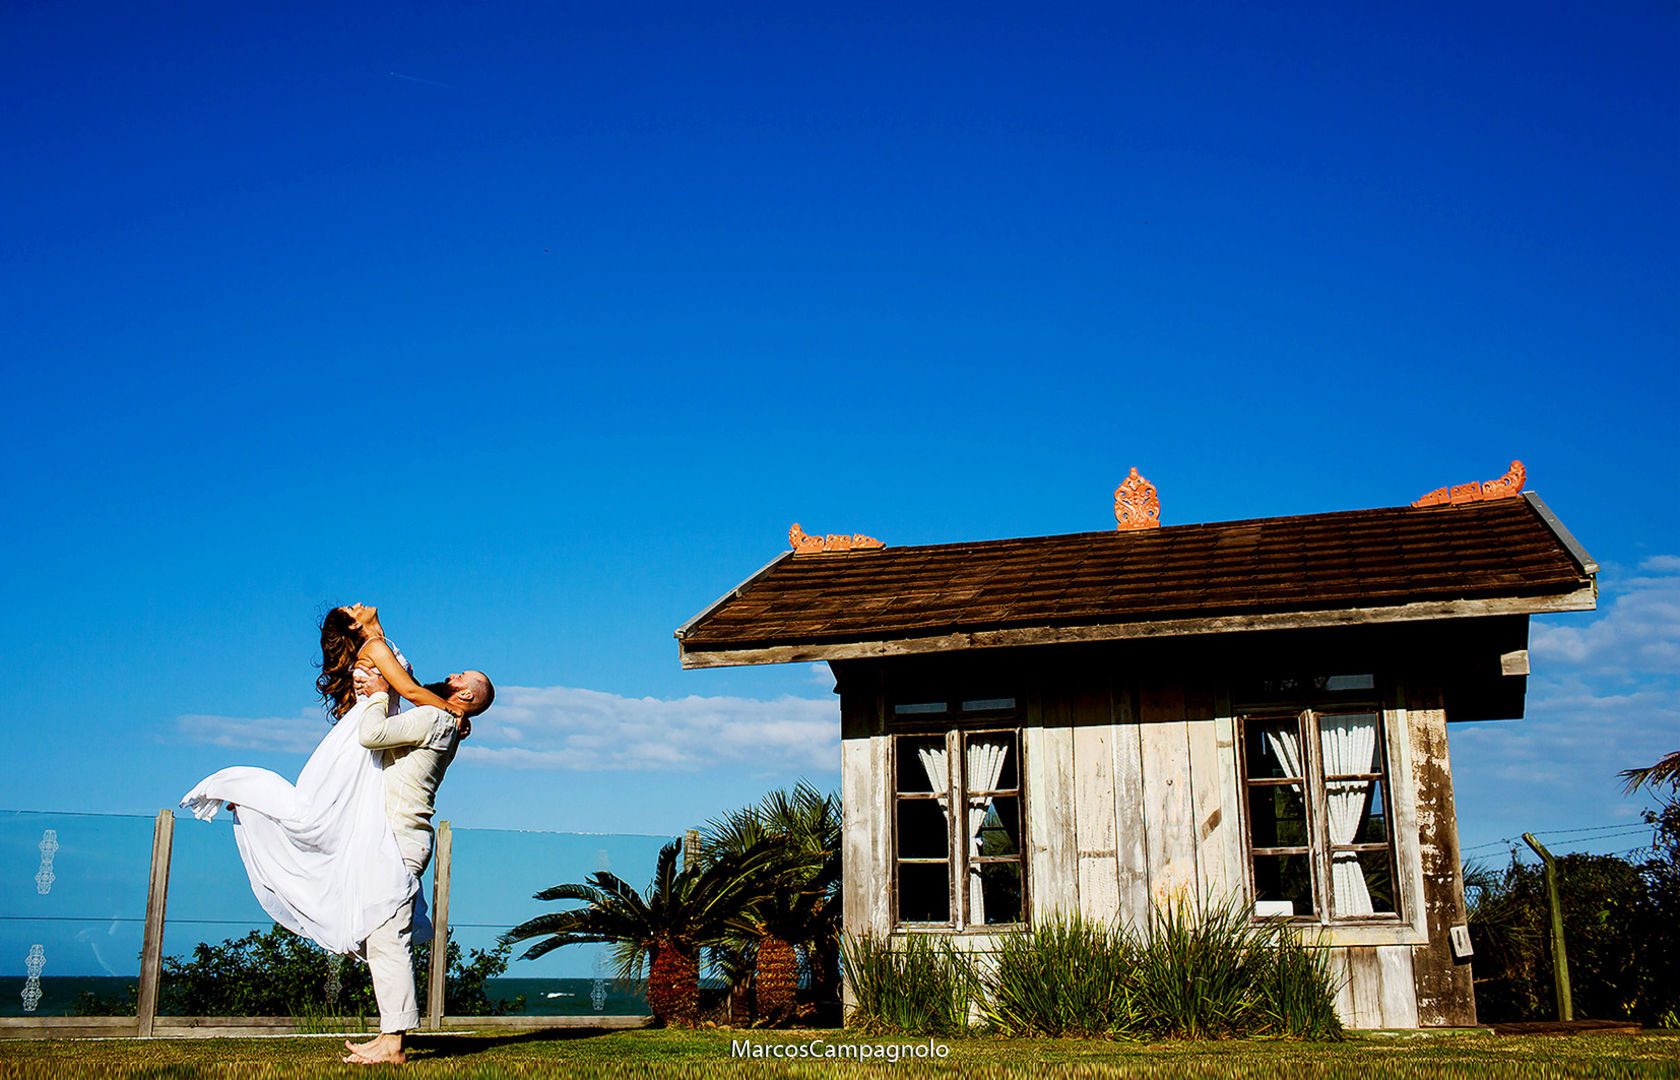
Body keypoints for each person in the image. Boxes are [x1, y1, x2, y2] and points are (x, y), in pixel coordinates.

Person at [342, 663, 493, 1066]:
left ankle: (393, 1044)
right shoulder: (440, 718)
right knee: (382, 939)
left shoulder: (434, 718)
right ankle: (388, 1036)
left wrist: (378, 694)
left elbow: (371, 736)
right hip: (396, 838)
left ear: (466, 695)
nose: (451, 675)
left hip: (399, 840)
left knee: (388, 939)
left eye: (460, 677)